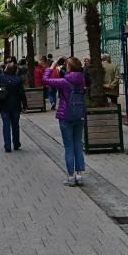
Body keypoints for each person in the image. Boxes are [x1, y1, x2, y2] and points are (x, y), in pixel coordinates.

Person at [44, 57, 87, 186]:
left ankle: (70, 177)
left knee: (69, 147)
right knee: (78, 145)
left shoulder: (64, 81)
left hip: (66, 115)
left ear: (69, 67)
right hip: (79, 114)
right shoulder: (82, 79)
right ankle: (79, 175)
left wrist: (52, 67)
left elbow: (45, 80)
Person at [0, 61, 27, 152]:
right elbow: (22, 93)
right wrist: (24, 105)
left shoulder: (1, 77)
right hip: (15, 105)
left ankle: (7, 145)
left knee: (6, 125)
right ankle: (16, 143)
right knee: (15, 125)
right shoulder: (18, 79)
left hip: (3, 105)